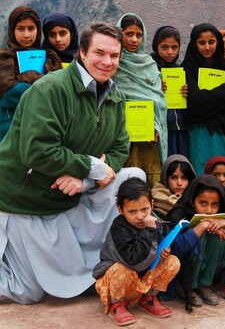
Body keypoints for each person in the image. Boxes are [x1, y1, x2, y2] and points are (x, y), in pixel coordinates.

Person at [0, 22, 146, 304]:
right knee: (27, 290)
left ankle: (115, 259)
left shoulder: (115, 96)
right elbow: (37, 152)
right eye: (99, 53)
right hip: (26, 199)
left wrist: (86, 180)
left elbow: (119, 147)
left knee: (132, 176)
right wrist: (92, 167)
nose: (107, 61)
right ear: (81, 51)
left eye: (114, 56)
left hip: (68, 196)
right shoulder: (50, 90)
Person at [93, 177, 180, 326]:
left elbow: (159, 244)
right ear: (120, 210)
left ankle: (148, 297)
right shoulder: (119, 229)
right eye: (132, 211)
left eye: (145, 209)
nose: (140, 216)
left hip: (139, 283)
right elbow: (135, 262)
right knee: (121, 269)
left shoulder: (155, 221)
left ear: (152, 205)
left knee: (172, 261)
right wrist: (148, 232)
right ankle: (117, 304)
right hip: (119, 281)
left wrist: (164, 250)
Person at [166, 174, 225, 309]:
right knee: (200, 238)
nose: (209, 211)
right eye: (203, 203)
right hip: (181, 273)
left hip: (207, 272)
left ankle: (204, 284)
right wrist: (200, 228)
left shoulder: (223, 216)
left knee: (220, 237)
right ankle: (187, 287)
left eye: (215, 205)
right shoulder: (179, 214)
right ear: (191, 201)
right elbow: (174, 249)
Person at [182, 23, 225, 175]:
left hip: (221, 133)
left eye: (211, 42)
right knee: (200, 173)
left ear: (218, 42)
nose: (207, 47)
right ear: (194, 43)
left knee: (222, 175)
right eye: (202, 43)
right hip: (197, 134)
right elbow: (194, 102)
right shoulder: (187, 67)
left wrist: (206, 101)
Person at [113, 13, 168, 187]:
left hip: (149, 138)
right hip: (121, 137)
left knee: (151, 182)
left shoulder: (149, 64)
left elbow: (159, 101)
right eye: (129, 34)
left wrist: (156, 125)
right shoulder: (113, 64)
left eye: (138, 35)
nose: (134, 40)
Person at [0, 6, 62, 140]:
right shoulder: (4, 58)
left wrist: (25, 78)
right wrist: (42, 83)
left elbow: (60, 94)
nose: (27, 35)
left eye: (31, 29)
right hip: (10, 133)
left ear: (38, 30)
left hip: (45, 131)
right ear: (12, 30)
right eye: (20, 29)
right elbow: (8, 96)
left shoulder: (50, 58)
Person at [151, 26, 189, 157]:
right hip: (161, 129)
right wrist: (156, 88)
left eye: (174, 47)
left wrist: (186, 93)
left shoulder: (181, 69)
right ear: (156, 46)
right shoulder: (150, 68)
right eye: (164, 47)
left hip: (181, 129)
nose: (170, 52)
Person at [152, 154, 196, 219]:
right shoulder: (155, 199)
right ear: (165, 178)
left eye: (184, 178)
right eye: (174, 178)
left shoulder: (198, 198)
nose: (179, 183)